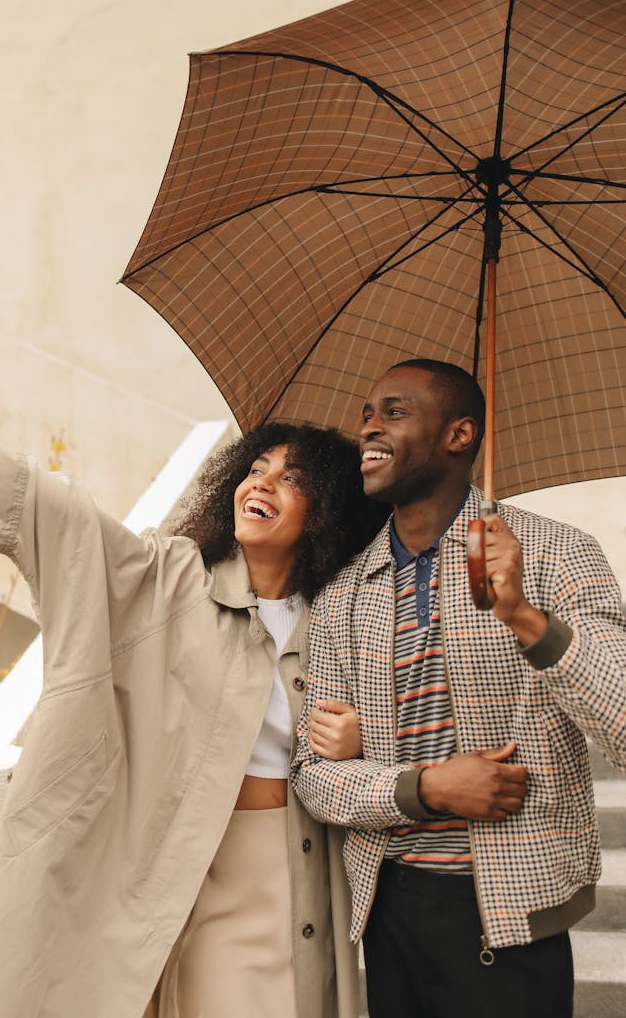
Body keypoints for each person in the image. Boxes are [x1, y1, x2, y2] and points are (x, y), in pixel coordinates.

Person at [0, 380, 387, 1018]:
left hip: (291, 861)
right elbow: (67, 522)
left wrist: (359, 740)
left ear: (327, 509)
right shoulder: (169, 578)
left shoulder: (343, 613)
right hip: (180, 851)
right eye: (255, 470)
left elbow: (397, 724)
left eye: (289, 480)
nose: (260, 485)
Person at [291, 358, 626, 1018]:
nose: (369, 429)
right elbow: (313, 774)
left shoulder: (560, 554)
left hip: (513, 913)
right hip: (389, 916)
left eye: (393, 411)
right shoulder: (343, 594)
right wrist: (428, 787)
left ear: (459, 434)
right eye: (366, 414)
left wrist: (524, 616)